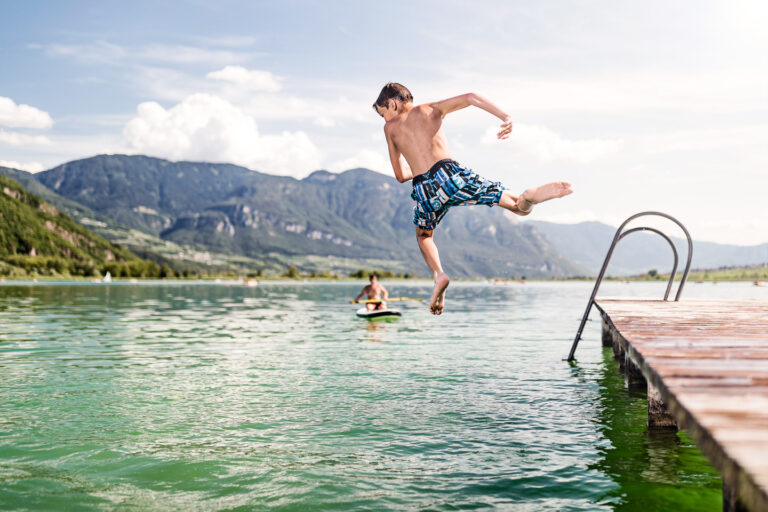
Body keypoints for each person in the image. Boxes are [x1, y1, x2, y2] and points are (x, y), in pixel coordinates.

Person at [373, 83, 573, 315]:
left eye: (382, 113)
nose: (384, 119)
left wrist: (417, 170)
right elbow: (470, 97)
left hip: (424, 188)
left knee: (424, 236)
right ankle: (528, 197)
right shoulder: (431, 109)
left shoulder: (390, 129)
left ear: (393, 104)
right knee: (517, 207)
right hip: (449, 175)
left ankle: (439, 275)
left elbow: (399, 176)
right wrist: (504, 116)